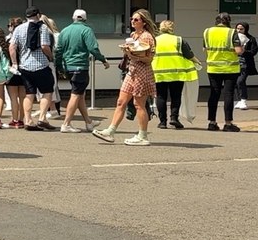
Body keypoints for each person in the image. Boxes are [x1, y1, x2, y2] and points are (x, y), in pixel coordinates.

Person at [93, 9, 158, 146]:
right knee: (121, 101)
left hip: (142, 72)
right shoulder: (133, 35)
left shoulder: (147, 37)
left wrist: (134, 55)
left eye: (136, 20)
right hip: (131, 70)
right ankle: (110, 131)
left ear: (144, 22)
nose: (133, 22)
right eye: (132, 19)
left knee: (139, 104)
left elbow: (149, 59)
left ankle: (142, 136)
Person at [54, 9, 109, 133]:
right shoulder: (86, 30)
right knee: (76, 95)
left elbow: (58, 51)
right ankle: (66, 124)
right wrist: (103, 59)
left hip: (68, 67)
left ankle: (89, 122)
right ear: (85, 19)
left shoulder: (65, 31)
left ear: (73, 18)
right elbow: (93, 48)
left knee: (80, 95)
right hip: (80, 67)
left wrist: (60, 67)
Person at [9, 7, 58, 131]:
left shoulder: (19, 29)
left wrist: (15, 63)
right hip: (41, 65)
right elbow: (44, 46)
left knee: (29, 94)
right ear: (38, 15)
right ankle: (42, 118)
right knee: (47, 91)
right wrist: (51, 57)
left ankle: (28, 120)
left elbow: (12, 47)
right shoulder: (43, 28)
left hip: (25, 67)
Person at [152, 20, 201, 130]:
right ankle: (174, 118)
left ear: (160, 28)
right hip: (177, 73)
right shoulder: (179, 40)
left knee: (161, 96)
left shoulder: (154, 40)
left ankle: (162, 122)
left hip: (159, 73)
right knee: (176, 96)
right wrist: (198, 62)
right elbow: (189, 55)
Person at [203, 12, 244, 132]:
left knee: (214, 94)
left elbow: (205, 48)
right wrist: (243, 48)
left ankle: (212, 122)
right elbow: (238, 51)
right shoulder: (232, 32)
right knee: (228, 94)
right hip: (230, 69)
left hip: (213, 68)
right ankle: (228, 123)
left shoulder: (207, 32)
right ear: (228, 21)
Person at [236, 21, 255, 110]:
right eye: (238, 29)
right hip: (234, 63)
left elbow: (253, 51)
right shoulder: (234, 38)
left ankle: (243, 99)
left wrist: (244, 51)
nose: (239, 31)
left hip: (245, 63)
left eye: (241, 29)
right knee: (236, 82)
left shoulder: (251, 39)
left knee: (240, 81)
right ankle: (239, 100)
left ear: (245, 29)